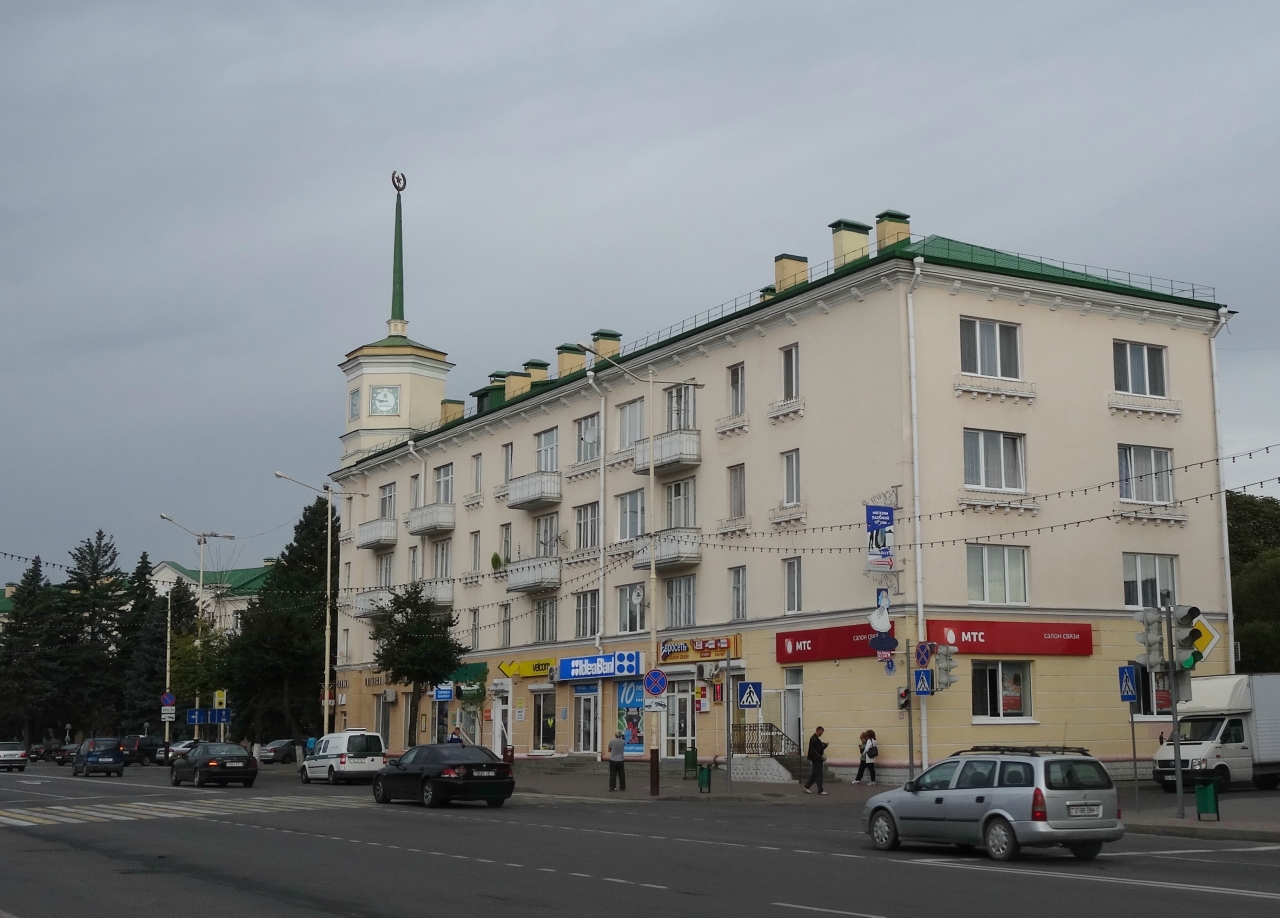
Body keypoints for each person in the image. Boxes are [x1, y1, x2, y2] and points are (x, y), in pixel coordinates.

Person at [803, 726, 828, 795]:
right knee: (819, 774)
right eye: (821, 732)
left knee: (814, 774)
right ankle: (820, 790)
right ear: (818, 731)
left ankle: (806, 786)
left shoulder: (814, 738)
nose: (822, 734)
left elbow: (818, 746)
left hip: (815, 759)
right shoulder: (815, 739)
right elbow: (820, 748)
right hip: (816, 759)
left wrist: (823, 744)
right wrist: (825, 745)